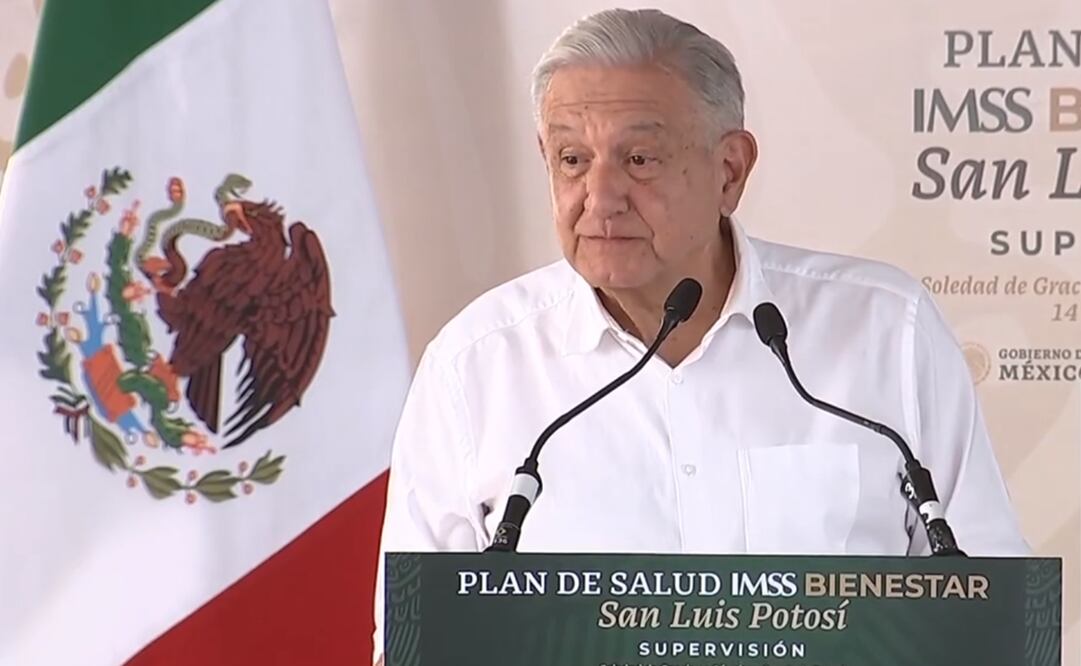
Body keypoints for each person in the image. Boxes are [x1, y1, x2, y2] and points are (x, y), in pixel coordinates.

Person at [371, 7, 1028, 664]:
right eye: (572, 159)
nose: (599, 197)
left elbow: (986, 616)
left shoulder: (885, 330)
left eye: (638, 158)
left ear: (730, 170)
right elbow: (412, 644)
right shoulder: (475, 366)